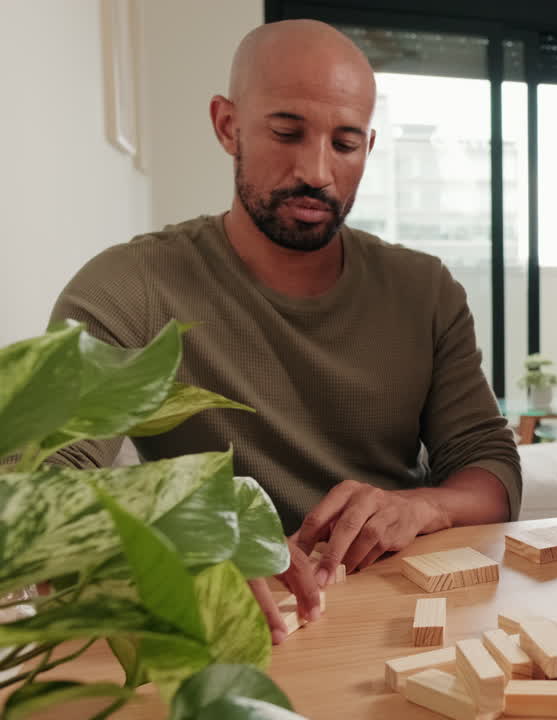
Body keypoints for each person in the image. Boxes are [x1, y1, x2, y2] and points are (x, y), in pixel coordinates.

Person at [48, 20, 521, 643]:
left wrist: (421, 505)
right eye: (287, 133)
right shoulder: (128, 287)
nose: (317, 172)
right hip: (224, 620)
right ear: (227, 125)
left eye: (346, 144)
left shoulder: (425, 291)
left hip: (401, 616)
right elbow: (40, 485)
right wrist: (178, 534)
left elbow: (490, 468)